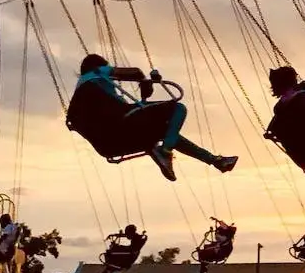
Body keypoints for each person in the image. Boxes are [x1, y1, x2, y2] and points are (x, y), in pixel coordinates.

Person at [65, 54, 236, 181]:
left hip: (109, 146)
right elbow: (135, 72)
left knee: (166, 132)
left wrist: (144, 96)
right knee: (178, 108)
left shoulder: (86, 97)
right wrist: (144, 80)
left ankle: (215, 161)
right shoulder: (94, 73)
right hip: (123, 127)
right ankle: (166, 152)